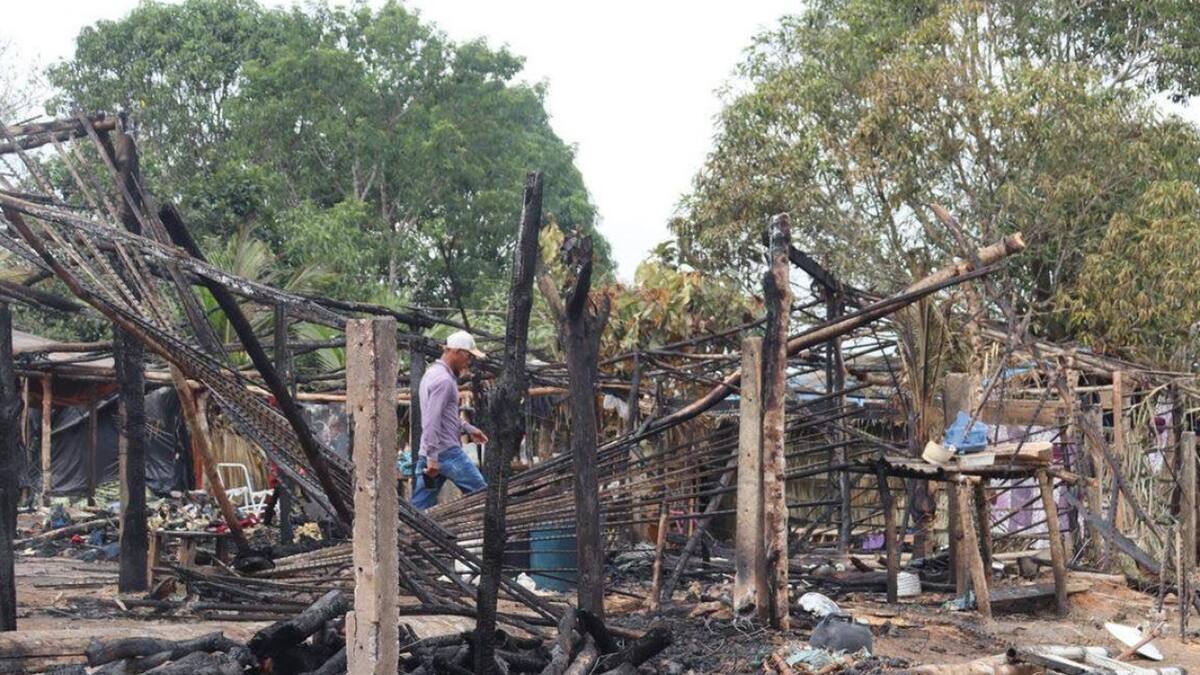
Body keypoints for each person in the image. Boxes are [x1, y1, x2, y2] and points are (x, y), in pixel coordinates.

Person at [411, 330, 490, 509]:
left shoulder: (432, 374)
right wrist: (433, 458)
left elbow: (443, 415)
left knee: (419, 508)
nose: (469, 361)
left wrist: (468, 428)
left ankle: (405, 528)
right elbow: (431, 420)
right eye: (468, 356)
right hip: (446, 452)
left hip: (429, 451)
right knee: (483, 498)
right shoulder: (444, 381)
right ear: (456, 352)